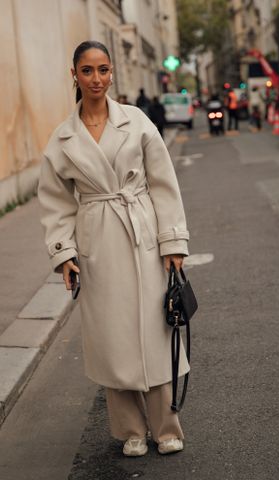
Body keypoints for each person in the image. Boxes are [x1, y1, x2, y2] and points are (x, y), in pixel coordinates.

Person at [37, 41, 189, 457]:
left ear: (111, 73)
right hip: (97, 243)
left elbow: (163, 183)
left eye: (103, 70)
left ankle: (166, 425)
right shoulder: (63, 137)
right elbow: (55, 201)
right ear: (75, 75)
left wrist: (173, 241)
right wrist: (64, 253)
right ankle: (129, 429)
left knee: (155, 332)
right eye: (87, 71)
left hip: (142, 235)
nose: (97, 79)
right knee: (112, 337)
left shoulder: (137, 121)